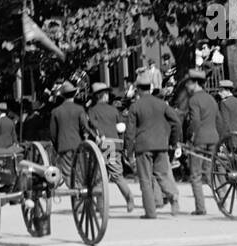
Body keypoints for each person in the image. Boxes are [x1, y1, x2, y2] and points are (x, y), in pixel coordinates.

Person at [124, 71, 181, 218]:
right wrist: (173, 142)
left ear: (137, 89)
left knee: (146, 180)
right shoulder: (162, 104)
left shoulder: (135, 107)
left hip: (143, 146)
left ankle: (150, 212)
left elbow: (130, 133)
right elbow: (176, 122)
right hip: (161, 145)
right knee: (162, 175)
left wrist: (128, 151)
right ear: (150, 87)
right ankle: (173, 197)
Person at [86, 81, 136, 214]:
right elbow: (121, 128)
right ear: (103, 96)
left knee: (98, 176)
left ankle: (101, 207)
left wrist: (99, 136)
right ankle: (129, 197)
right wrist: (122, 144)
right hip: (114, 144)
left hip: (100, 145)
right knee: (117, 175)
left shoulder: (92, 111)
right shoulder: (114, 110)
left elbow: (91, 126)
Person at [182, 68, 223, 215]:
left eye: (188, 83)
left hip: (199, 139)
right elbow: (219, 120)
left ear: (195, 83)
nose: (186, 86)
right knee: (210, 172)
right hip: (214, 137)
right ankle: (223, 199)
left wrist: (190, 137)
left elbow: (195, 121)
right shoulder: (211, 98)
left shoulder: (194, 100)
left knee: (195, 175)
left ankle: (200, 208)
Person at [48, 81, 90, 181]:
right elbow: (85, 127)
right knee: (79, 172)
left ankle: (75, 192)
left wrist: (57, 146)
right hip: (78, 145)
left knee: (68, 174)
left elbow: (53, 134)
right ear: (75, 94)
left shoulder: (56, 111)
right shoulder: (80, 109)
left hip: (64, 145)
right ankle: (80, 191)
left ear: (62, 96)